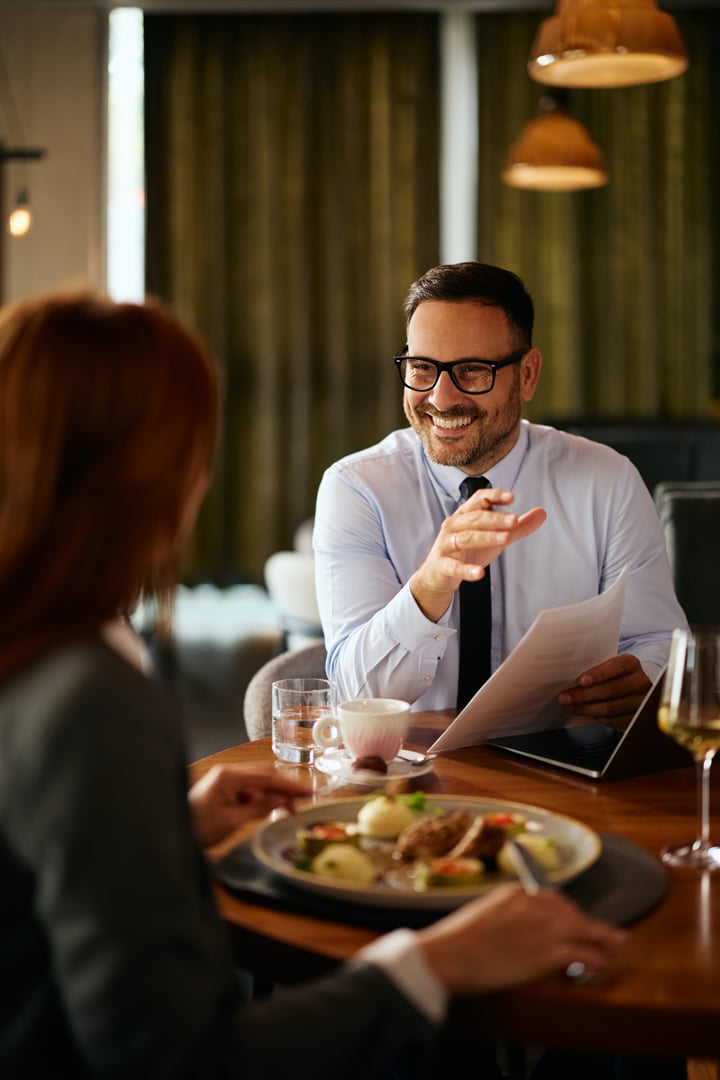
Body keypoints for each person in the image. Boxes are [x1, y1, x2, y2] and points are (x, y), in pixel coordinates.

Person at [0, 291, 625, 1078]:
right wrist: (430, 965)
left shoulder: (41, 646)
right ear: (149, 471)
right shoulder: (92, 697)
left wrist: (162, 829)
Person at [314, 261, 688, 726]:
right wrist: (431, 585)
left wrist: (643, 678)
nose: (441, 397)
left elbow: (659, 645)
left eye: (472, 371)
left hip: (565, 772)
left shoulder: (608, 482)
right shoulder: (357, 488)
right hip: (406, 774)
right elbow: (354, 694)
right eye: (422, 368)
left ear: (527, 375)